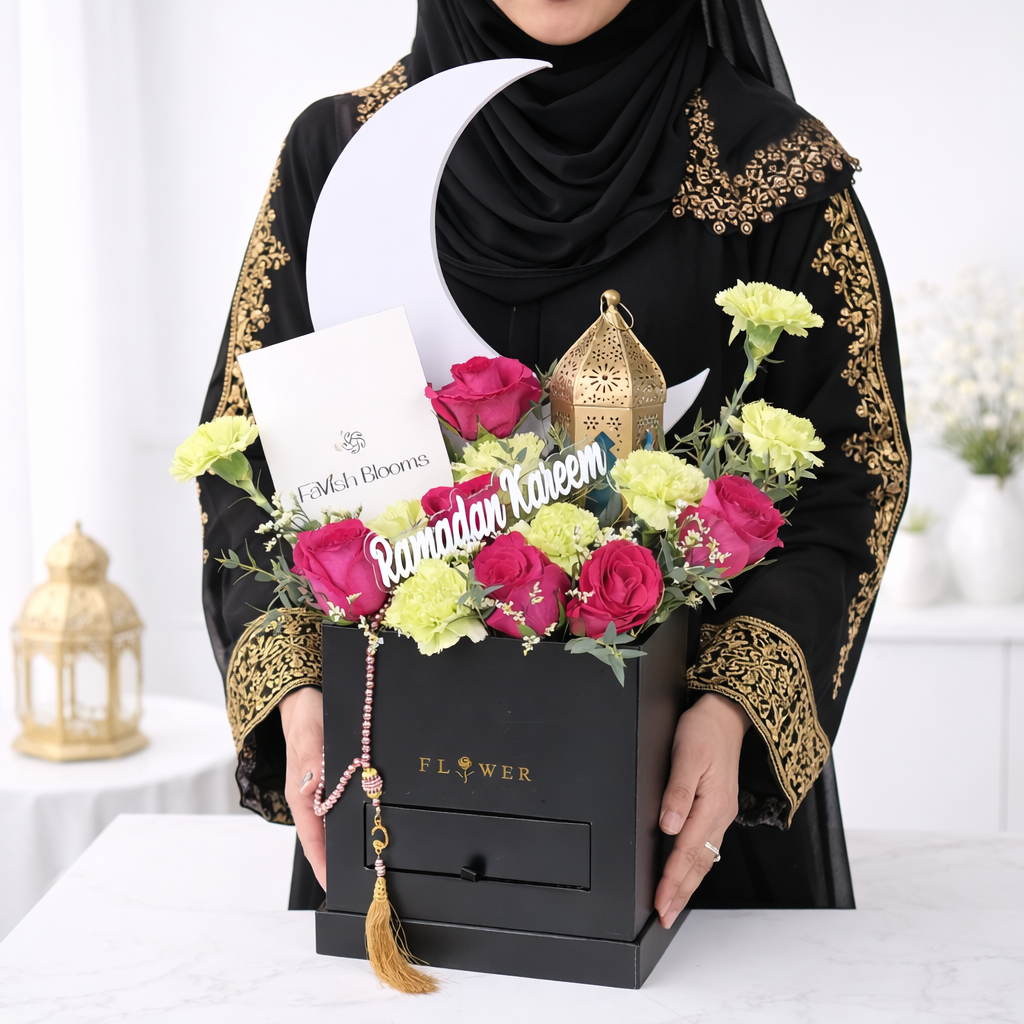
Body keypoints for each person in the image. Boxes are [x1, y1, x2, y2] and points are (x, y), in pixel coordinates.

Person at [198, 0, 908, 926]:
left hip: (686, 826)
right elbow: (248, 451)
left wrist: (734, 707)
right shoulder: (340, 159)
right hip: (393, 816)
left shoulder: (774, 173)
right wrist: (298, 685)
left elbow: (854, 476)